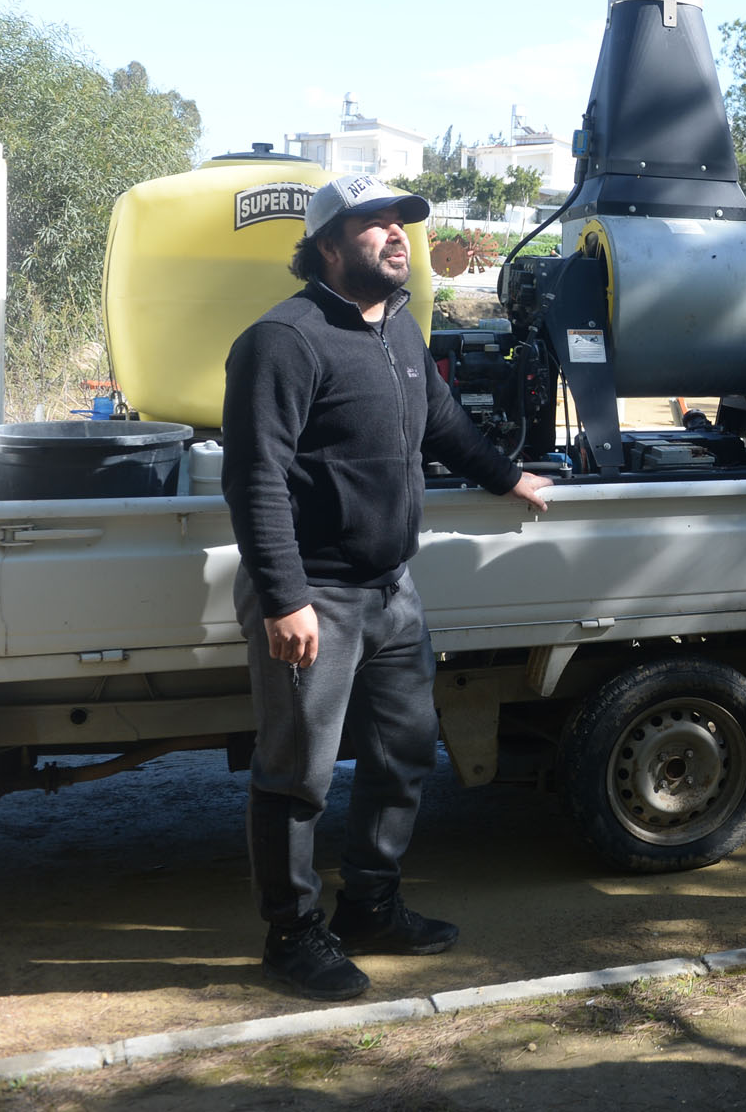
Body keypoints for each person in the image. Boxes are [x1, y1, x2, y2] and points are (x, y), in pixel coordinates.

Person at [223, 173, 552, 1000]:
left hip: (390, 591)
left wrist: (508, 476)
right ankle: (291, 937)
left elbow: (441, 422)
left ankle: (370, 905)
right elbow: (255, 479)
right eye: (374, 222)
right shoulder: (283, 340)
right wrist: (284, 597)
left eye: (402, 221)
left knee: (404, 752)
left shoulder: (399, 328)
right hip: (315, 595)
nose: (397, 233)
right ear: (328, 245)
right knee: (297, 775)